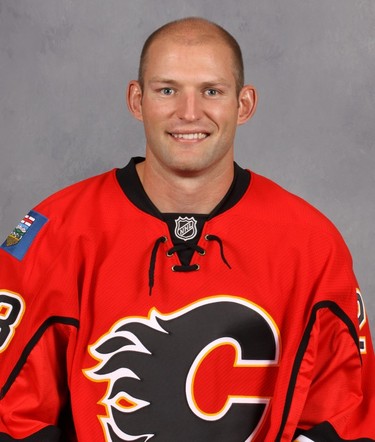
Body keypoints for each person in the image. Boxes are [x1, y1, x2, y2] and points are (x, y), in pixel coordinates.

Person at [0, 17, 374, 442]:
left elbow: (346, 415)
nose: (189, 113)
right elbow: (11, 414)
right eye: (167, 90)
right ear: (136, 100)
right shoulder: (52, 232)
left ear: (244, 104)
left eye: (211, 91)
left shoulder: (312, 243)